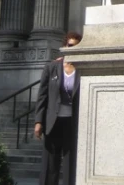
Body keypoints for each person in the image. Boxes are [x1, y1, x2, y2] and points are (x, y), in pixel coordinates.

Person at [34, 31, 82, 185]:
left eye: (76, 46)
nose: (72, 48)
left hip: (72, 122)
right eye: (70, 45)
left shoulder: (83, 69)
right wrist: (38, 122)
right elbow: (42, 95)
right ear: (64, 46)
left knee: (70, 163)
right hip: (53, 121)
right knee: (50, 164)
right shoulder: (52, 67)